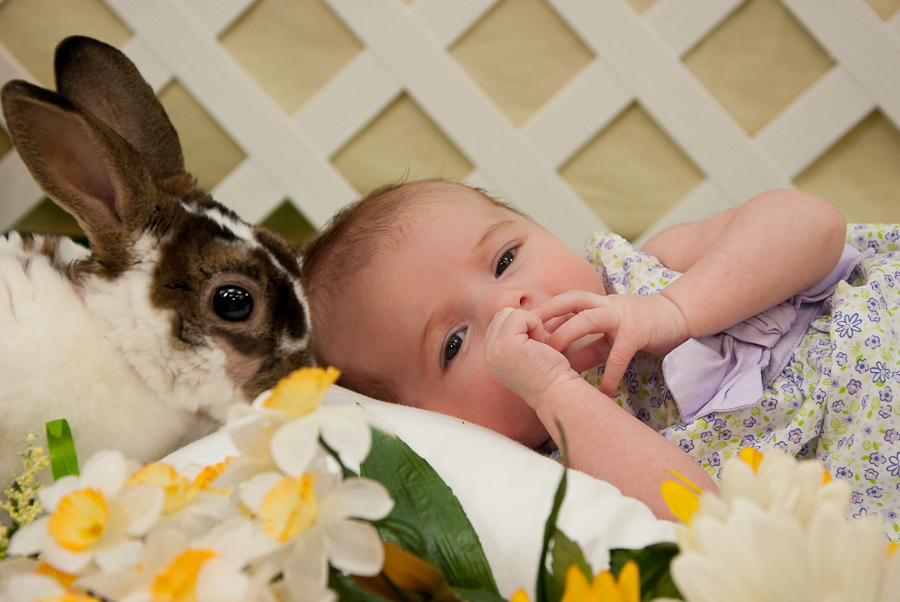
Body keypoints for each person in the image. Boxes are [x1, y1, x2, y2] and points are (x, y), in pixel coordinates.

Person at [301, 179, 893, 527]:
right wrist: (554, 393)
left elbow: (811, 222)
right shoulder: (560, 481)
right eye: (453, 344)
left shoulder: (648, 272)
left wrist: (674, 309)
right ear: (435, 422)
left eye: (506, 259)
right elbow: (697, 523)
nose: (513, 302)